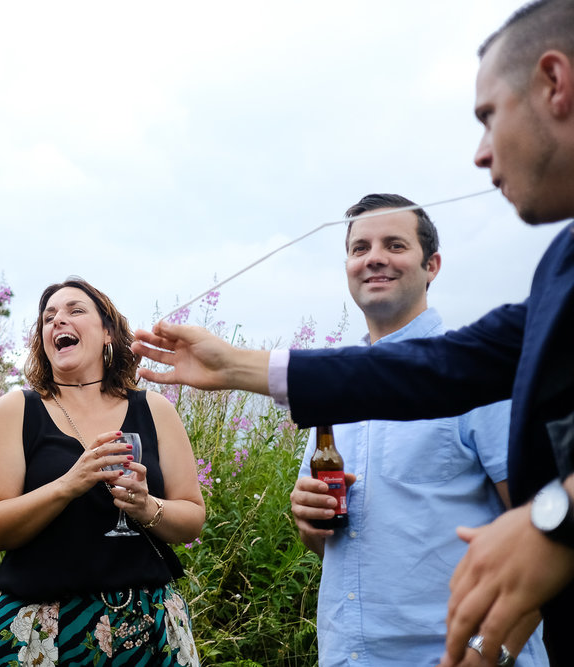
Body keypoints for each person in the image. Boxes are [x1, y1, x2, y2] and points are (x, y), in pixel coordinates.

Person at [132, 2, 574, 665]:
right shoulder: (558, 270)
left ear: (555, 83)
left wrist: (551, 525)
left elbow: (515, 481)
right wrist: (235, 368)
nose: (481, 152)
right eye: (359, 245)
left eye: (487, 116)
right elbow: (427, 369)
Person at [289, 193, 547, 666]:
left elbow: (546, 529)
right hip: (349, 654)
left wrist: (488, 652)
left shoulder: (477, 375)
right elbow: (333, 543)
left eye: (395, 244)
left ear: (433, 265)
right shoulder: (333, 389)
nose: (375, 259)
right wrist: (309, 519)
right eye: (360, 247)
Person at [0, 278, 205, 666]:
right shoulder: (16, 410)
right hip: (44, 631)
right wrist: (68, 485)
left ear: (108, 333)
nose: (58, 321)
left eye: (75, 311)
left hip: (150, 625)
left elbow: (193, 519)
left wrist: (146, 507)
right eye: (48, 318)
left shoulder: (155, 409)